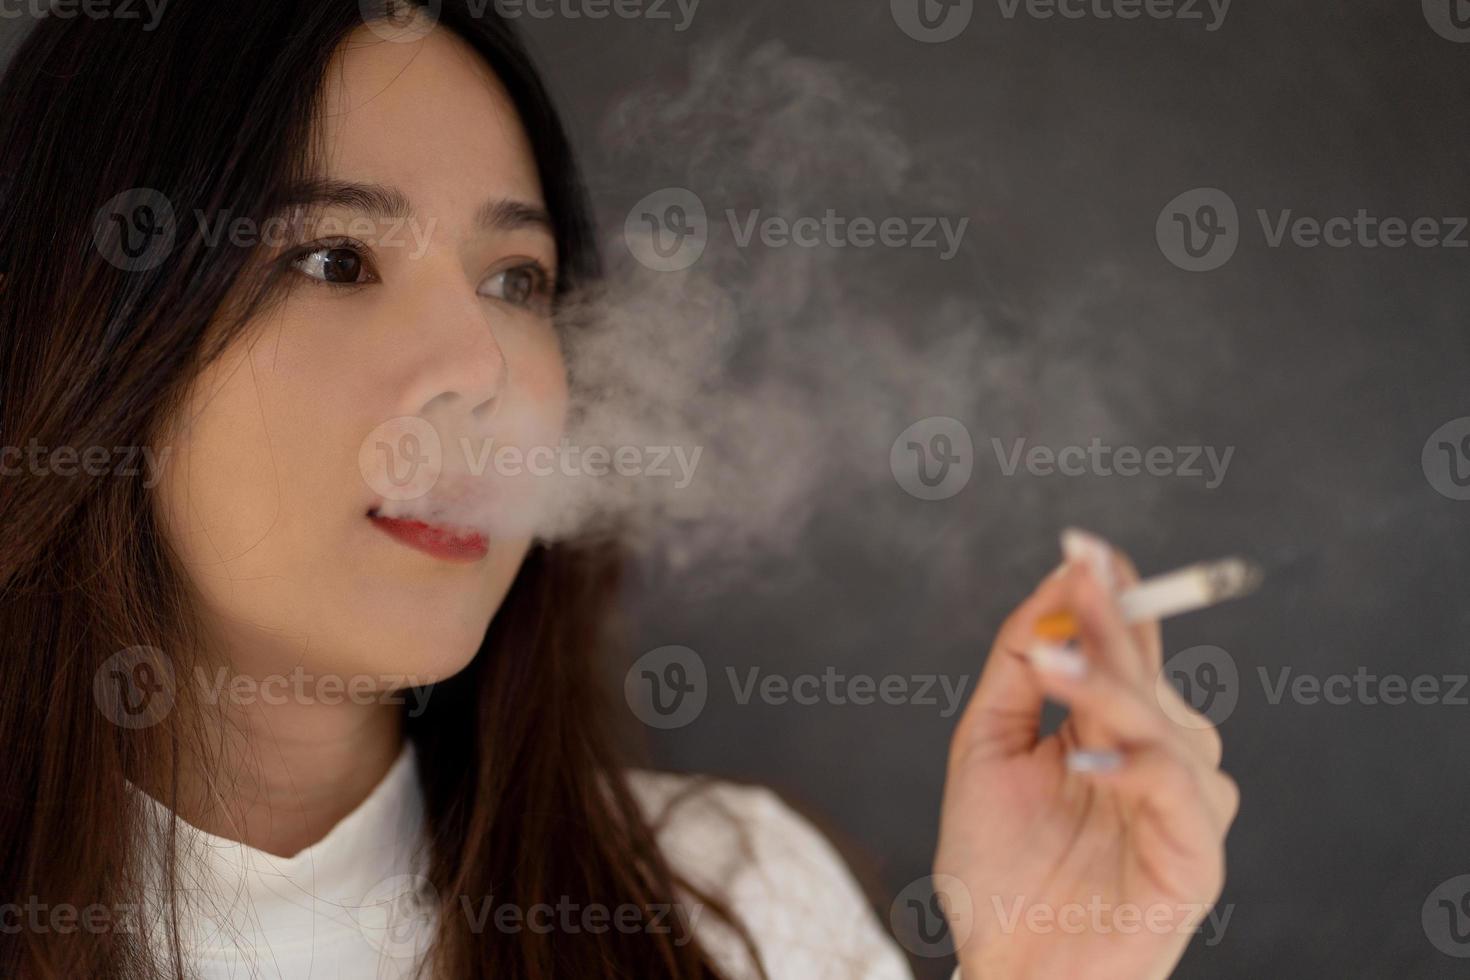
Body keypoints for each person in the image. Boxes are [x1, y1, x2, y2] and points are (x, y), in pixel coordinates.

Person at [0, 2, 1237, 977]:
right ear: (89, 331)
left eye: (517, 280)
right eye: (335, 258)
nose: (482, 369)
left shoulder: (736, 903)